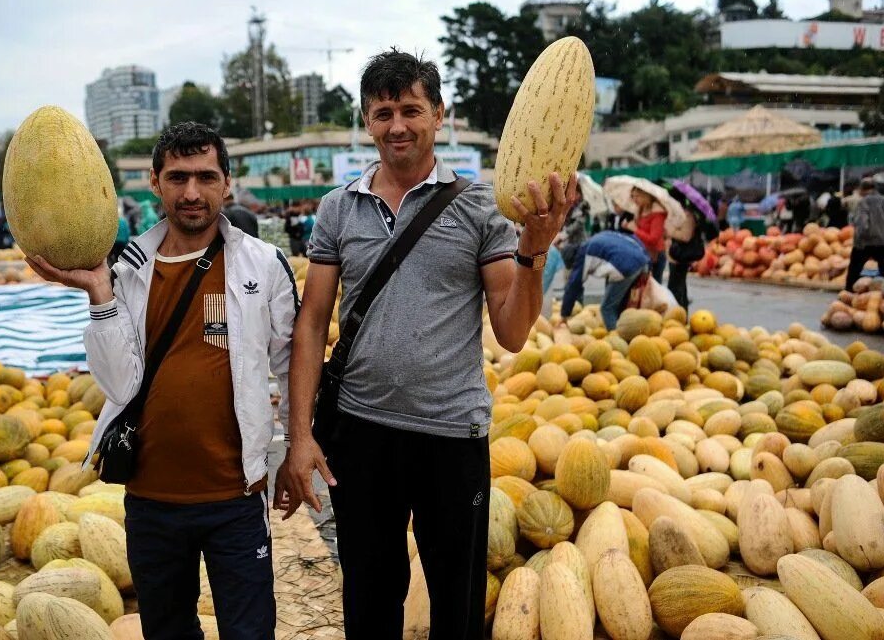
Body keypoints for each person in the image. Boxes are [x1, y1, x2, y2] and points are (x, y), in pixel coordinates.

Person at [275, 49, 575, 640]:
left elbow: (511, 333)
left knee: (455, 605)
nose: (398, 126)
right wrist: (301, 435)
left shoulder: (479, 206)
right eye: (383, 112)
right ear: (367, 121)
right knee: (369, 597)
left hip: (450, 437)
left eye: (411, 110)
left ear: (439, 114)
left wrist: (533, 253)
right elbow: (311, 324)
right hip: (360, 436)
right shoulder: (338, 208)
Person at [28, 122, 297, 640]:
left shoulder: (262, 265)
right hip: (151, 500)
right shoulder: (127, 269)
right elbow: (119, 385)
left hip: (236, 497)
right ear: (155, 182)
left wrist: (298, 448)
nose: (191, 193)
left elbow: (291, 363)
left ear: (227, 183)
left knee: (250, 632)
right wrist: (98, 293)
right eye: (177, 177)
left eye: (205, 177)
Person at [561, 230, 651, 330]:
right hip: (642, 258)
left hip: (626, 266)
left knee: (607, 308)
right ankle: (627, 331)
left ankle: (616, 337)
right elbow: (629, 237)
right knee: (621, 304)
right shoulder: (596, 239)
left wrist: (565, 314)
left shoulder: (583, 255)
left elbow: (573, 287)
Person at [666, 191, 706, 310]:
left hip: (682, 256)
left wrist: (670, 231)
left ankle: (680, 317)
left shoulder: (687, 215)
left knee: (676, 288)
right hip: (675, 255)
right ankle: (681, 315)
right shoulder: (679, 214)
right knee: (678, 287)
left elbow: (686, 236)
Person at [844, 180, 884, 291]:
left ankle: (849, 292)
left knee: (854, 269)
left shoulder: (864, 202)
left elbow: (863, 224)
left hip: (865, 242)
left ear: (863, 189)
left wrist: (859, 240)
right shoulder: (883, 200)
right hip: (883, 241)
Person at [625, 187, 667, 284]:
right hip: (642, 252)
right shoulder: (640, 210)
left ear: (646, 196)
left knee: (653, 288)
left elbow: (653, 239)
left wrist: (635, 229)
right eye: (633, 196)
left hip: (655, 255)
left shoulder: (657, 213)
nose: (635, 199)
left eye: (637, 196)